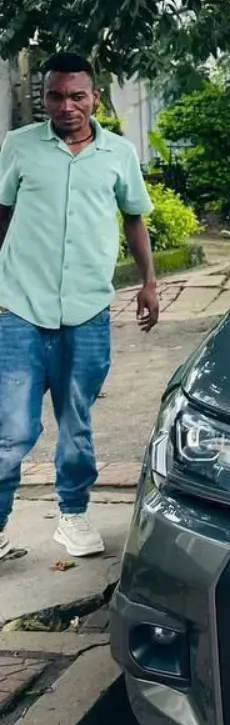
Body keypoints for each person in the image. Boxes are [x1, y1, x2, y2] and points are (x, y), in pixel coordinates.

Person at [0, 54, 159, 562]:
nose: (66, 106)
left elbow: (135, 218)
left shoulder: (118, 153)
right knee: (13, 430)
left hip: (87, 310)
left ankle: (72, 515)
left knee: (77, 421)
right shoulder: (19, 146)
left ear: (94, 97)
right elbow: (2, 212)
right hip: (20, 306)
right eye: (55, 95)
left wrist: (149, 283)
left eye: (77, 95)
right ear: (44, 97)